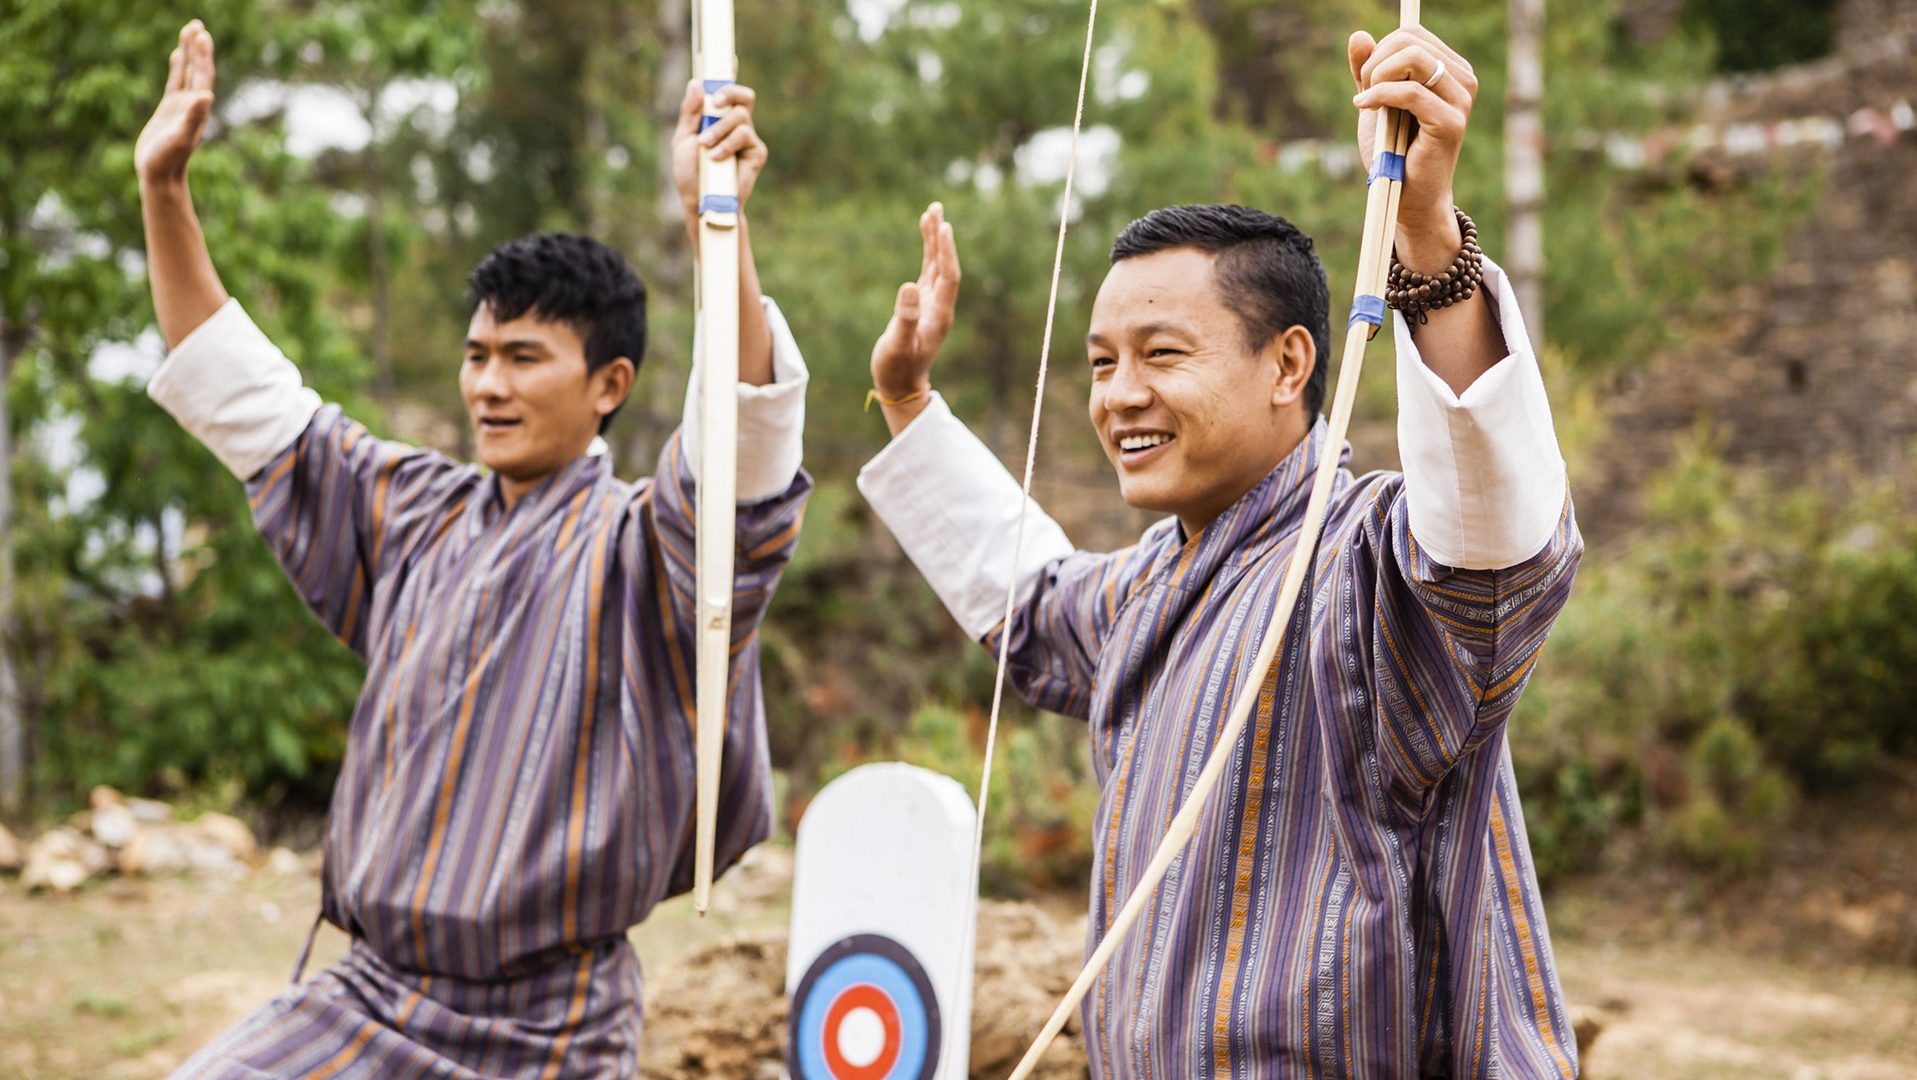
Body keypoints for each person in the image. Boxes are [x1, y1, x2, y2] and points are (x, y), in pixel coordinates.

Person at [859, 25, 1584, 1079]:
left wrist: (1425, 237)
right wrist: (906, 398)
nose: (1119, 396)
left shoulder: (1367, 563)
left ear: (1290, 365)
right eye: (1102, 362)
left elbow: (1494, 559)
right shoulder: (1149, 582)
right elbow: (1028, 595)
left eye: (1162, 355)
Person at [136, 20, 810, 1077]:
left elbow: (745, 441)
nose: (488, 385)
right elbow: (243, 394)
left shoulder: (651, 551)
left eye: (524, 357)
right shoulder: (414, 510)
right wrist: (165, 191)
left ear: (609, 387)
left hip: (552, 1025)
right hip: (368, 994)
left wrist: (708, 219)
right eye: (476, 355)